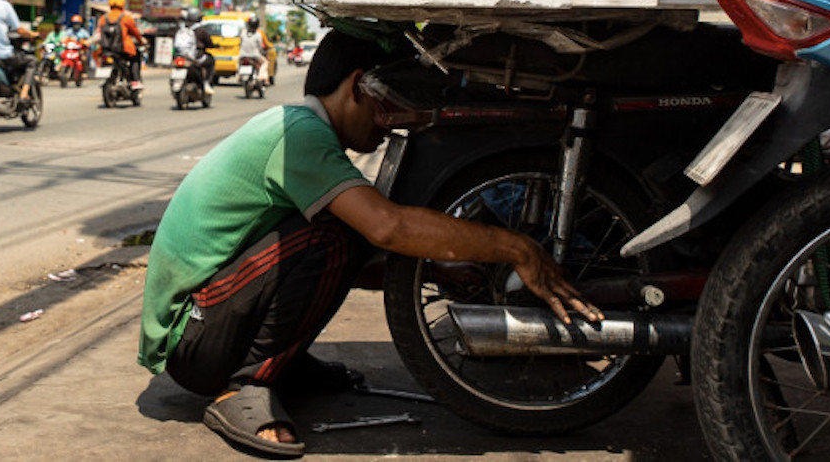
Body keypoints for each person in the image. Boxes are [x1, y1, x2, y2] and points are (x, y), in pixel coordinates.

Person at [138, 29, 603, 457]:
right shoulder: (299, 135)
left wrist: (439, 272)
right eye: (388, 106)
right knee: (341, 232)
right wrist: (517, 248)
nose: (389, 124)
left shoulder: (301, 129)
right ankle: (242, 385)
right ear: (357, 85)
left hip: (207, 327)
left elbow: (336, 264)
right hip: (192, 341)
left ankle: (281, 364)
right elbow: (386, 227)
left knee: (344, 235)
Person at [97, 0, 145, 89]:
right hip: (123, 49)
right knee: (136, 57)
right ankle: (135, 81)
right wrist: (141, 41)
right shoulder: (126, 18)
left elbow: (98, 33)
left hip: (106, 49)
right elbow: (135, 32)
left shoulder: (103, 18)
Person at [173, 8, 215, 95]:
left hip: (180, 55)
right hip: (197, 56)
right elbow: (209, 43)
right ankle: (206, 83)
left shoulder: (181, 29)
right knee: (211, 60)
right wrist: (214, 46)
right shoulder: (201, 30)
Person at [238, 15, 270, 84]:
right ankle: (261, 76)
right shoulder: (258, 34)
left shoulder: (243, 33)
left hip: (242, 55)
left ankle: (239, 76)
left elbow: (240, 42)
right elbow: (260, 47)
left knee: (239, 62)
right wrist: (262, 51)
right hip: (255, 56)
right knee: (265, 62)